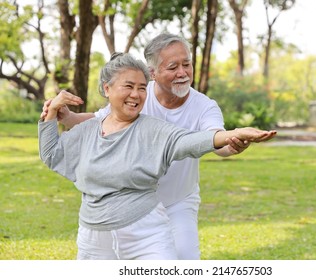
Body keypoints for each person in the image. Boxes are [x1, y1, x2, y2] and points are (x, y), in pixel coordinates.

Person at [40, 33, 276, 259]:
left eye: (187, 64)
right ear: (153, 73)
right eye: (173, 67)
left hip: (176, 200)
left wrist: (230, 141)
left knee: (184, 259)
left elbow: (209, 137)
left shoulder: (203, 106)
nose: (183, 73)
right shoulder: (137, 95)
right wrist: (66, 118)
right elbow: (100, 121)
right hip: (126, 203)